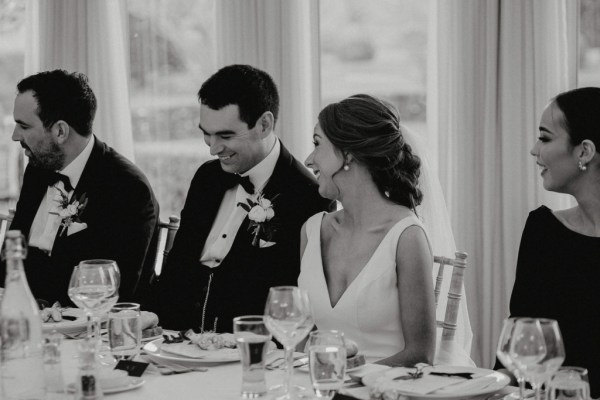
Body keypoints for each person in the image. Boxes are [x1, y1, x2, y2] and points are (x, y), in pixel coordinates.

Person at [299, 94, 474, 367]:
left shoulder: (406, 237)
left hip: (388, 389)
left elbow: (420, 354)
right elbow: (305, 336)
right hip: (323, 387)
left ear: (348, 155)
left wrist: (345, 375)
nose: (309, 160)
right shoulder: (312, 231)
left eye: (317, 144)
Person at [155, 64, 333, 333]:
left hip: (248, 353)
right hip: (174, 342)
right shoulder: (206, 177)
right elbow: (178, 266)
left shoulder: (309, 196)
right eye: (206, 133)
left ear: (264, 124)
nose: (213, 148)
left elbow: (293, 302)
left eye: (225, 135)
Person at [2, 69, 160, 306]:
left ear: (60, 131)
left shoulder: (127, 189)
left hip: (90, 330)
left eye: (23, 126)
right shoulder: (38, 169)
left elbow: (114, 290)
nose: (15, 136)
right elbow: (12, 258)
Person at [503, 87, 600, 397]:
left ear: (584, 151)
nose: (534, 150)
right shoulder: (543, 232)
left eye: (545, 138)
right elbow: (520, 343)